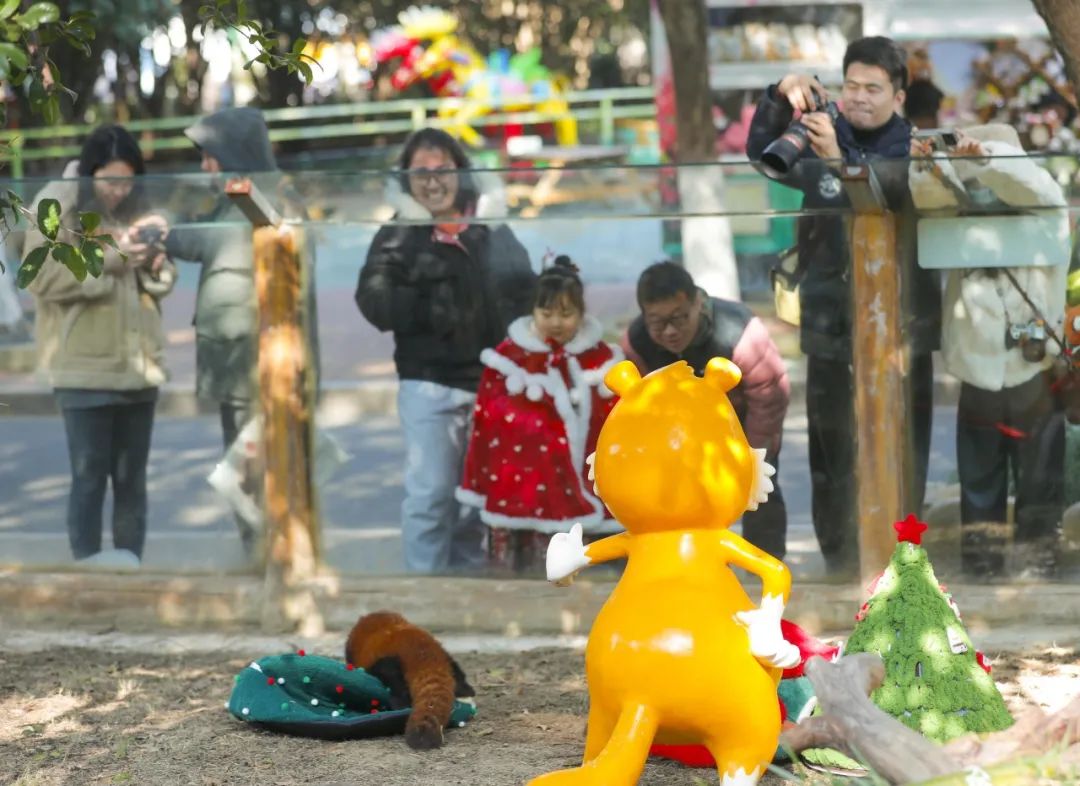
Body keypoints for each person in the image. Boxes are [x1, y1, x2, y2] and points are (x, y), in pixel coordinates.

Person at [747, 36, 941, 577]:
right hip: (830, 318)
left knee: (904, 447)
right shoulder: (821, 132)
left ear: (898, 97)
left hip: (903, 326)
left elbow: (883, 197)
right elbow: (763, 157)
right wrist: (779, 96)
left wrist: (838, 159)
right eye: (851, 85)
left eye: (873, 88)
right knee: (830, 446)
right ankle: (839, 563)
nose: (858, 97)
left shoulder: (914, 150)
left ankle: (902, 564)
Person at [356, 128, 536, 574]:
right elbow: (373, 300)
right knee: (432, 494)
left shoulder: (489, 224)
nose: (433, 181)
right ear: (406, 179)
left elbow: (522, 288)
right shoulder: (399, 234)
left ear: (461, 172)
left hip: (490, 385)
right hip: (429, 383)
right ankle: (425, 589)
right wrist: (428, 303)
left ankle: (465, 590)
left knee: (475, 502)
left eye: (443, 170)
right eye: (422, 172)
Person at [910, 124, 1068, 579]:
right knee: (979, 477)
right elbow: (927, 198)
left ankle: (1039, 558)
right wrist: (929, 164)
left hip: (1034, 372)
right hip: (976, 372)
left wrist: (985, 157)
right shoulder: (957, 218)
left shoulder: (1047, 208)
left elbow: (1031, 184)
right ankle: (981, 560)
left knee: (1040, 476)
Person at [161, 106, 312, 561]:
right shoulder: (237, 196)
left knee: (251, 470)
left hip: (257, 361)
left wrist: (164, 230)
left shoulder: (263, 198)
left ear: (235, 153)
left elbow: (203, 240)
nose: (205, 166)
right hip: (236, 361)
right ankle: (260, 554)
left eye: (211, 155)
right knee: (245, 467)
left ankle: (268, 557)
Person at [25, 125, 176, 567]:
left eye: (128, 181)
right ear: (90, 171)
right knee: (89, 478)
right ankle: (86, 576)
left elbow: (159, 279)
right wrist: (114, 259)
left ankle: (130, 573)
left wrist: (155, 262)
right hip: (82, 368)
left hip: (138, 365)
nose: (119, 191)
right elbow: (41, 277)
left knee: (132, 482)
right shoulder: (56, 203)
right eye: (110, 180)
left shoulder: (135, 206)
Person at [457, 255, 622, 574]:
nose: (556, 323)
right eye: (546, 313)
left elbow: (618, 419)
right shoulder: (509, 360)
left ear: (582, 313)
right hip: (524, 486)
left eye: (566, 314)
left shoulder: (602, 360)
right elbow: (488, 425)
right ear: (532, 311)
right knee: (527, 572)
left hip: (588, 483)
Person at [621, 261, 790, 559]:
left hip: (741, 423)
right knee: (677, 499)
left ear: (698, 302)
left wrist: (753, 454)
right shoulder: (637, 342)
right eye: (657, 322)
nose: (670, 331)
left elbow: (768, 397)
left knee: (761, 490)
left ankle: (766, 564)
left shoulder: (740, 333)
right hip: (680, 431)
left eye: (679, 318)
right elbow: (641, 403)